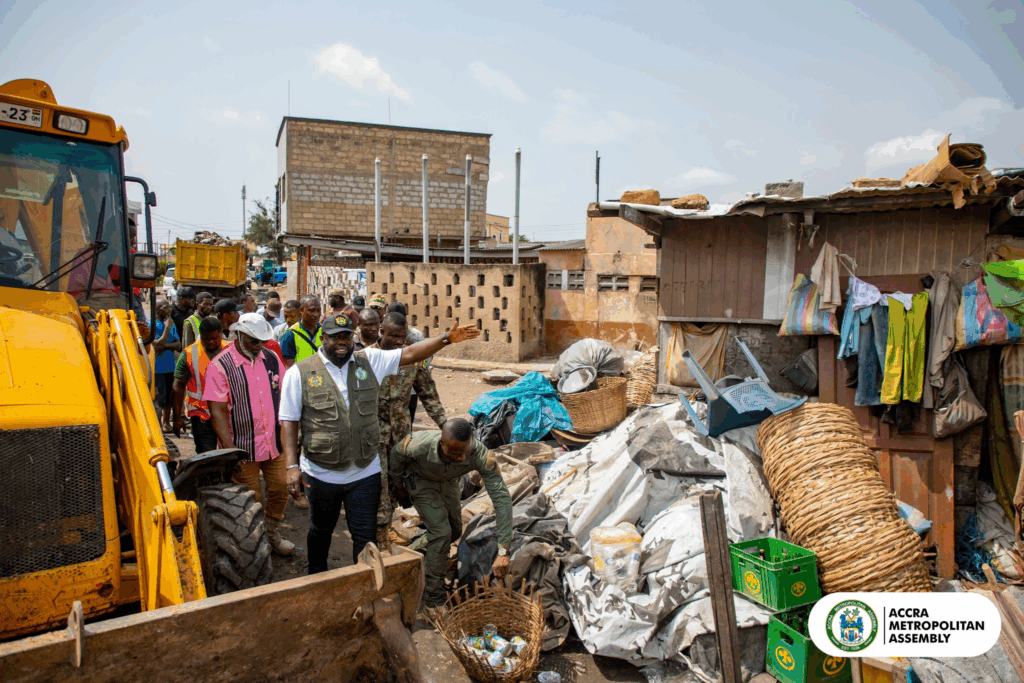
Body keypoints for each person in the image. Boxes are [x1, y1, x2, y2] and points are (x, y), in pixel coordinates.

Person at [281, 317, 482, 573]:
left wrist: (445, 339)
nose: (341, 343)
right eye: (334, 337)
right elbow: (289, 421)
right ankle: (316, 580)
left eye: (345, 336)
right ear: (323, 339)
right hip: (322, 473)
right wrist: (290, 465)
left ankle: (364, 589)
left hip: (365, 472)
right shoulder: (299, 373)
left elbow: (409, 353)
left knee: (365, 539)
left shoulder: (369, 360)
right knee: (321, 531)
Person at [390, 419, 512, 611]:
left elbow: (502, 499)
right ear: (442, 444)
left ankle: (410, 553)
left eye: (466, 451)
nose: (463, 458)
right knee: (441, 533)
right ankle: (433, 600)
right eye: (455, 453)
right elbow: (397, 454)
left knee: (454, 532)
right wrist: (398, 486)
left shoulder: (480, 454)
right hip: (421, 482)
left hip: (449, 484)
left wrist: (504, 549)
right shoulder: (419, 444)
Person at [204, 313, 294, 556]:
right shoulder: (220, 366)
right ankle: (252, 543)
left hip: (274, 444)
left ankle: (272, 533)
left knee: (280, 489)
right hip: (243, 448)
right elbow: (218, 412)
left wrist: (289, 440)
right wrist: (231, 449)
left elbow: (285, 397)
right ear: (240, 335)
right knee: (248, 499)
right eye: (254, 341)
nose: (259, 346)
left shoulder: (272, 359)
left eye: (262, 341)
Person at [371, 312, 447, 547]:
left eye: (402, 337)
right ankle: (380, 537)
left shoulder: (413, 357)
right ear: (381, 332)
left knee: (396, 483)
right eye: (393, 335)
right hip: (374, 437)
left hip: (401, 436)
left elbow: (428, 392)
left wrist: (444, 424)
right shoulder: (368, 357)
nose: (398, 341)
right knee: (380, 484)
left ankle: (385, 526)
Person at [172, 316, 230, 453]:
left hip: (228, 415)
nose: (210, 342)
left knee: (230, 455)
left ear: (221, 333)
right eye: (206, 339)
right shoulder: (189, 354)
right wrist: (177, 418)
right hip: (202, 416)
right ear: (200, 335)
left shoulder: (232, 349)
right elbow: (178, 386)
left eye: (215, 338)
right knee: (206, 457)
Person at [153, 298, 182, 433]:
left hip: (170, 366)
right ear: (157, 308)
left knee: (170, 397)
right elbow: (156, 344)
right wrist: (167, 329)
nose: (169, 310)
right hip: (157, 367)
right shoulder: (152, 325)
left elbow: (178, 345)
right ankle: (158, 423)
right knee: (160, 397)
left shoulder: (171, 324)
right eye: (165, 307)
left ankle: (166, 422)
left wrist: (164, 346)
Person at [280, 295, 322, 369]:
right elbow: (288, 368)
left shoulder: (325, 331)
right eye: (311, 311)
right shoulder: (290, 335)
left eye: (318, 311)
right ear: (301, 310)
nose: (316, 314)